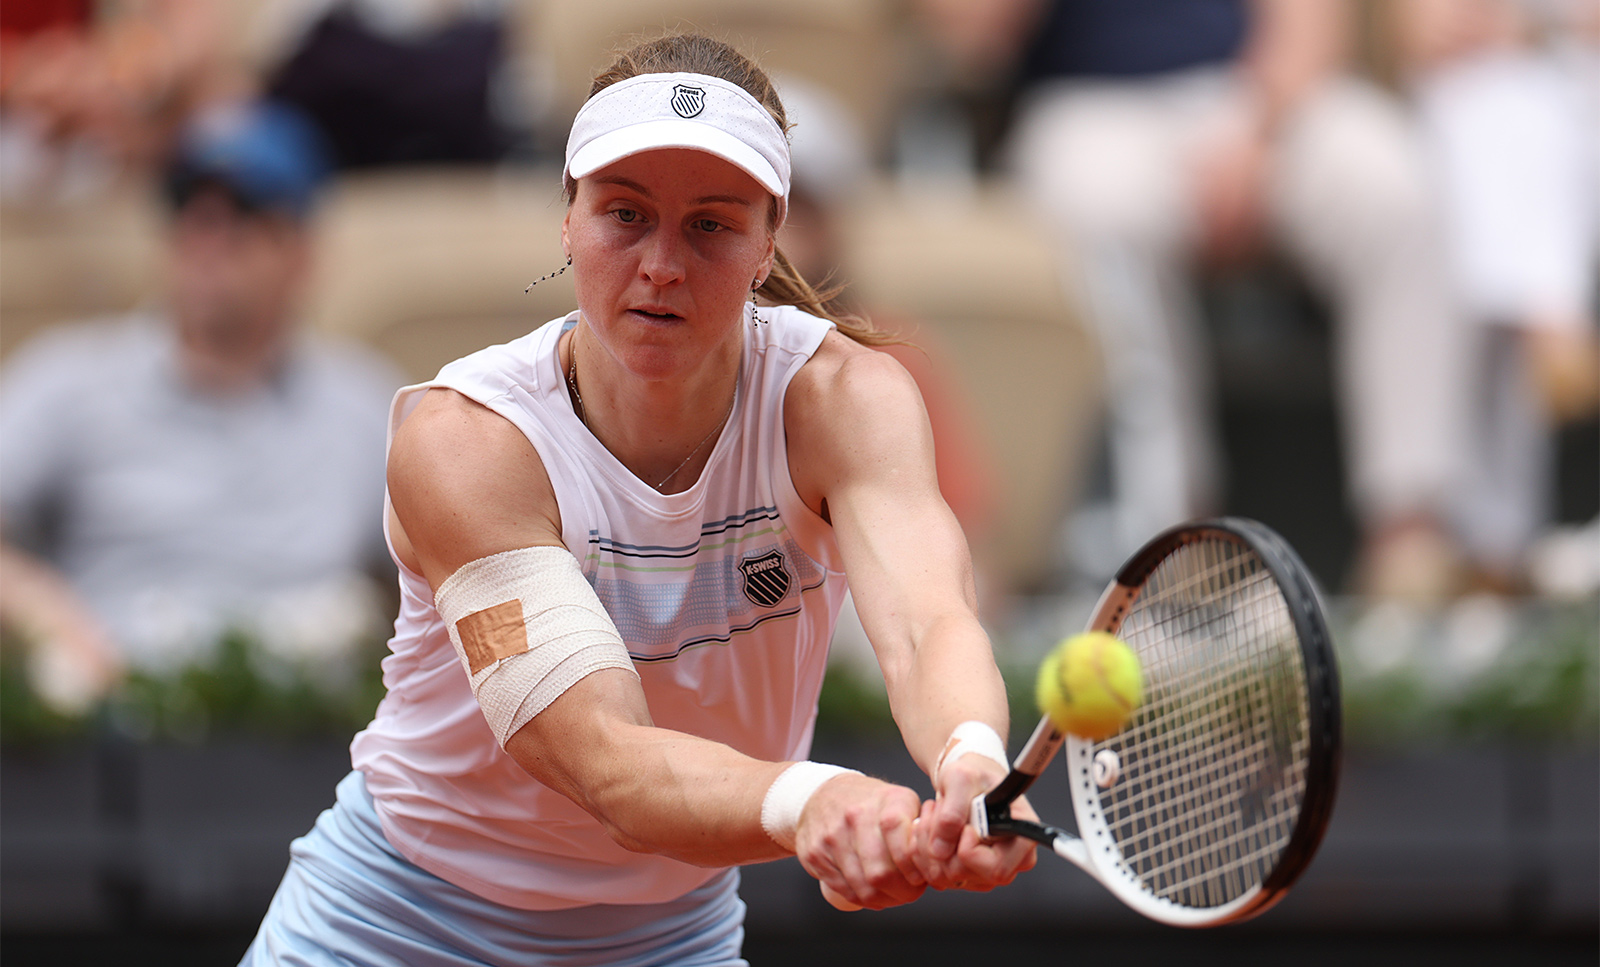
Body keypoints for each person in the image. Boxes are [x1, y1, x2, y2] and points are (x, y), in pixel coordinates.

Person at [239, 32, 1036, 966]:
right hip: (388, 927)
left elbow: (929, 626)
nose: (662, 263)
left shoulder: (845, 401)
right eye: (625, 213)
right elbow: (607, 760)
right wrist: (812, 799)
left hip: (669, 936)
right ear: (567, 219)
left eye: (711, 224)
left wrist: (973, 760)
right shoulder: (467, 441)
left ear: (768, 239)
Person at [914, 0, 1473, 600]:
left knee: (1390, 183)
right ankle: (1176, 547)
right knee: (1100, 211)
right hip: (1092, 107)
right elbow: (968, 37)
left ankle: (1411, 538)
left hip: (1259, 94)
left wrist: (1261, 133)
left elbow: (1308, 18)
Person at [0, 98, 400, 712]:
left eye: (243, 216)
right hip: (121, 715)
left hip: (310, 726)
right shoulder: (71, 378)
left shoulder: (365, 404)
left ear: (302, 253)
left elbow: (454, 569)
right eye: (189, 210)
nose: (208, 238)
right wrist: (45, 618)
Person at [1392, 0, 1599, 591]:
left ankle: (1495, 555)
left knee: (1520, 127)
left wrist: (1534, 30)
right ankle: (1553, 316)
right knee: (1499, 118)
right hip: (1466, 120)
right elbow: (1417, 29)